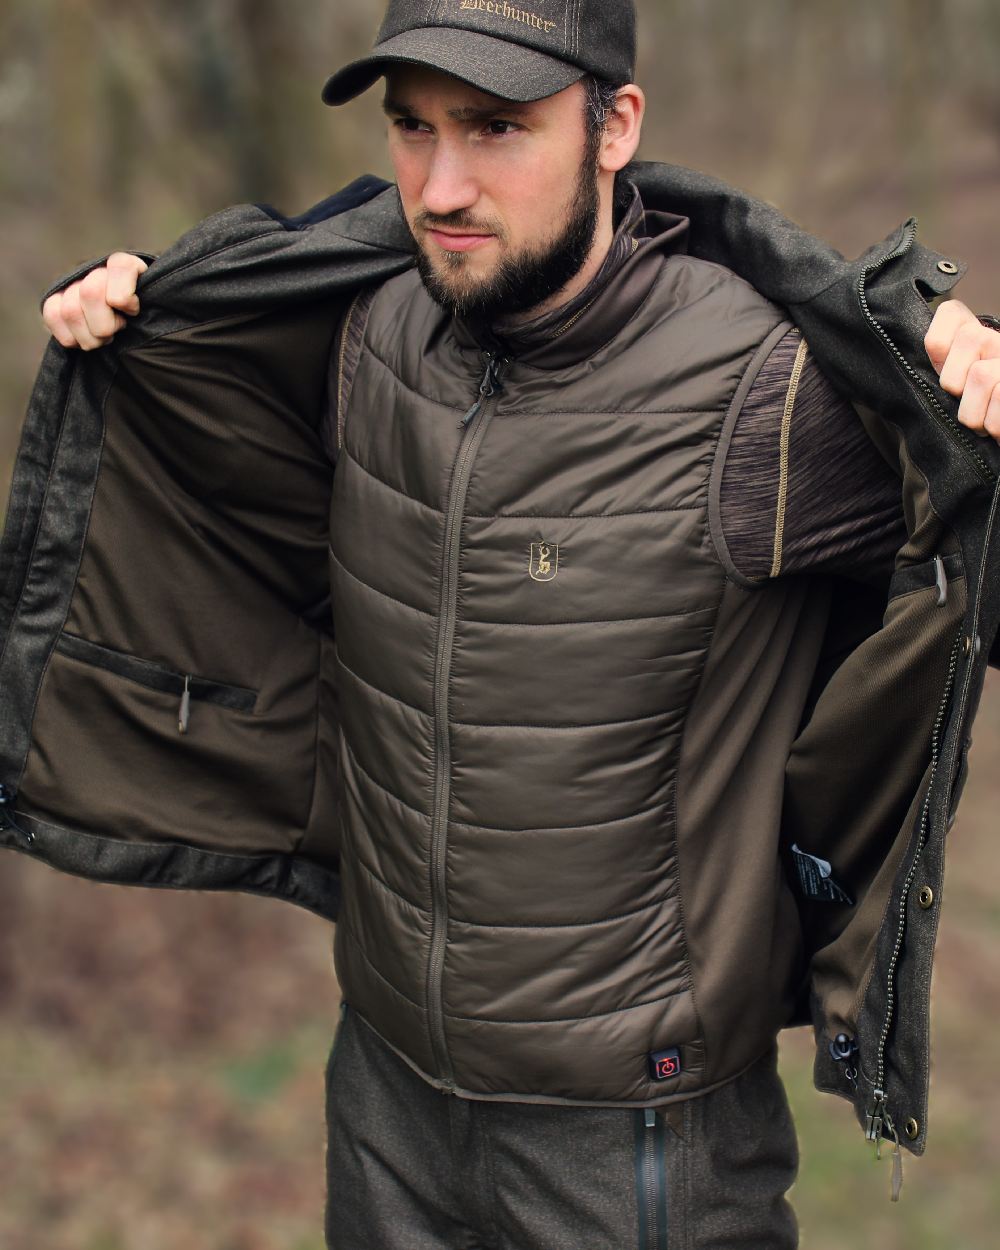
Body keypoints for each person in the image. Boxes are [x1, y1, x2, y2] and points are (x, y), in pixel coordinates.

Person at [17, 1, 1000, 1246]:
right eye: (413, 130)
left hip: (634, 1146)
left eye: (496, 129)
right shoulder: (371, 332)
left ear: (614, 125)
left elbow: (963, 531)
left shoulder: (764, 388)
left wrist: (973, 381)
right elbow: (217, 392)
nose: (441, 184)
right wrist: (130, 311)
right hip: (384, 1094)